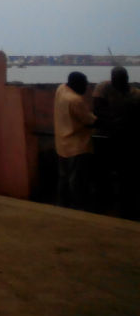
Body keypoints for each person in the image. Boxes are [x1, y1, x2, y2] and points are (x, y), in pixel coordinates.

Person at [92, 66, 140, 219]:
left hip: (128, 139)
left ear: (126, 79)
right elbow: (97, 109)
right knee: (104, 173)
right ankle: (106, 203)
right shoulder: (103, 87)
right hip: (108, 137)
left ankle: (126, 206)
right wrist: (113, 120)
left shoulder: (135, 94)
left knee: (127, 175)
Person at [53, 71, 95, 209]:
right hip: (77, 147)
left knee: (63, 178)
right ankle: (79, 208)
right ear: (76, 84)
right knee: (77, 182)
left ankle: (62, 205)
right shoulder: (75, 100)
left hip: (61, 144)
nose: (86, 86)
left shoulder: (61, 89)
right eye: (84, 83)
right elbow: (90, 121)